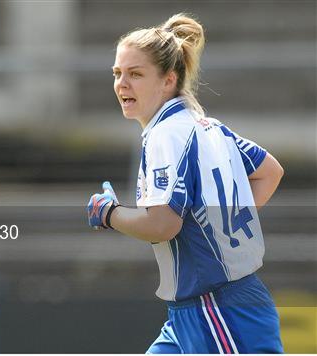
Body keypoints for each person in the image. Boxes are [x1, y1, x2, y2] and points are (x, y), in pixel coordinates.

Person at [86, 13, 284, 353]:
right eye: (118, 73)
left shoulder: (166, 134)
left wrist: (109, 213)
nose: (122, 84)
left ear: (168, 81)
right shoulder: (207, 125)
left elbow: (163, 224)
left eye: (135, 74)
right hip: (197, 309)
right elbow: (269, 171)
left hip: (217, 309)